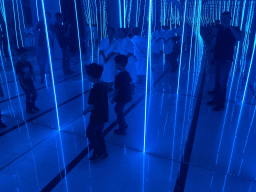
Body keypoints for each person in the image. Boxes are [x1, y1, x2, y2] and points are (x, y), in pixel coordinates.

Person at [207, 12, 242, 111]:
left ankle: (221, 103)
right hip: (217, 58)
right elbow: (212, 45)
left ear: (230, 19)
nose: (223, 21)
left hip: (226, 59)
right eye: (222, 19)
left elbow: (239, 37)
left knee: (222, 82)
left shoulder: (235, 29)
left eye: (225, 19)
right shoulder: (219, 30)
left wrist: (229, 27)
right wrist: (214, 34)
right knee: (217, 80)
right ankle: (216, 99)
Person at [83, 63, 108, 161]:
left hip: (96, 117)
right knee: (99, 133)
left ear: (91, 76)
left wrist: (85, 111)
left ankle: (98, 151)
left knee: (89, 133)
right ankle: (104, 150)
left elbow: (91, 106)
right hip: (104, 115)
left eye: (87, 75)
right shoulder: (103, 85)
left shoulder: (93, 91)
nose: (87, 76)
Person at [111, 55, 132, 135]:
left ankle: (122, 129)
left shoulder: (119, 77)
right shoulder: (126, 73)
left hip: (121, 97)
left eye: (115, 63)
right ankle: (124, 124)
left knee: (119, 112)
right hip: (126, 96)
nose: (115, 65)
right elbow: (130, 82)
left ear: (119, 64)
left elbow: (116, 90)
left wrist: (113, 99)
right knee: (118, 109)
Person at [15, 47, 39, 114]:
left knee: (35, 94)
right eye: (23, 55)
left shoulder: (27, 63)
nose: (25, 56)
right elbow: (19, 76)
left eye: (26, 55)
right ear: (19, 55)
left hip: (30, 81)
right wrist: (24, 85)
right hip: (24, 83)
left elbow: (31, 70)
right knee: (28, 95)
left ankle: (32, 105)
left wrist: (34, 76)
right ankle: (28, 109)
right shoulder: (18, 65)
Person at [34, 12, 54, 83]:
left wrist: (48, 30)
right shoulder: (41, 24)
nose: (46, 18)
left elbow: (53, 36)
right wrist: (37, 25)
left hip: (50, 46)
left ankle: (51, 77)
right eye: (45, 16)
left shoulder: (51, 25)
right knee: (42, 63)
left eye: (47, 16)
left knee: (49, 63)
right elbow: (34, 30)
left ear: (49, 17)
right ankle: (42, 78)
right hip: (42, 46)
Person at [99, 27, 118, 92]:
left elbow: (116, 50)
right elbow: (100, 50)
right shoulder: (103, 40)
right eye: (109, 31)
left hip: (111, 60)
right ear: (107, 32)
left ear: (113, 32)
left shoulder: (116, 42)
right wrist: (105, 57)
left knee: (111, 73)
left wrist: (109, 56)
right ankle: (104, 86)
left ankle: (110, 86)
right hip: (103, 59)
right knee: (103, 72)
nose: (110, 33)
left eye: (111, 31)